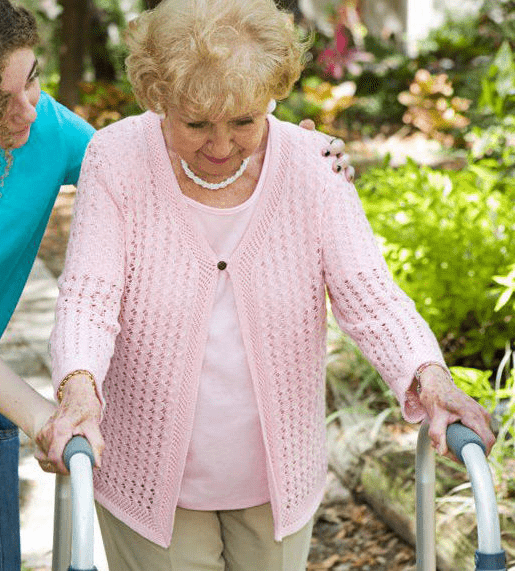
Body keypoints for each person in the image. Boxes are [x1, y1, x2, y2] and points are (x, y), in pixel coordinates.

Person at [0, 0, 351, 568]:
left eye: (32, 81)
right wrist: (45, 417)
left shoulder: (48, 128)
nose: (27, 111)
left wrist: (286, 157)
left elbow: (150, 165)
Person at [35, 0, 496, 569]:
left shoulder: (313, 167)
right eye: (196, 123)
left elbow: (370, 296)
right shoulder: (117, 158)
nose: (222, 145)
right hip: (147, 475)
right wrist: (78, 390)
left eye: (244, 121)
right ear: (157, 99)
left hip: (277, 482)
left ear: (272, 96)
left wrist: (430, 376)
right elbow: (89, 296)